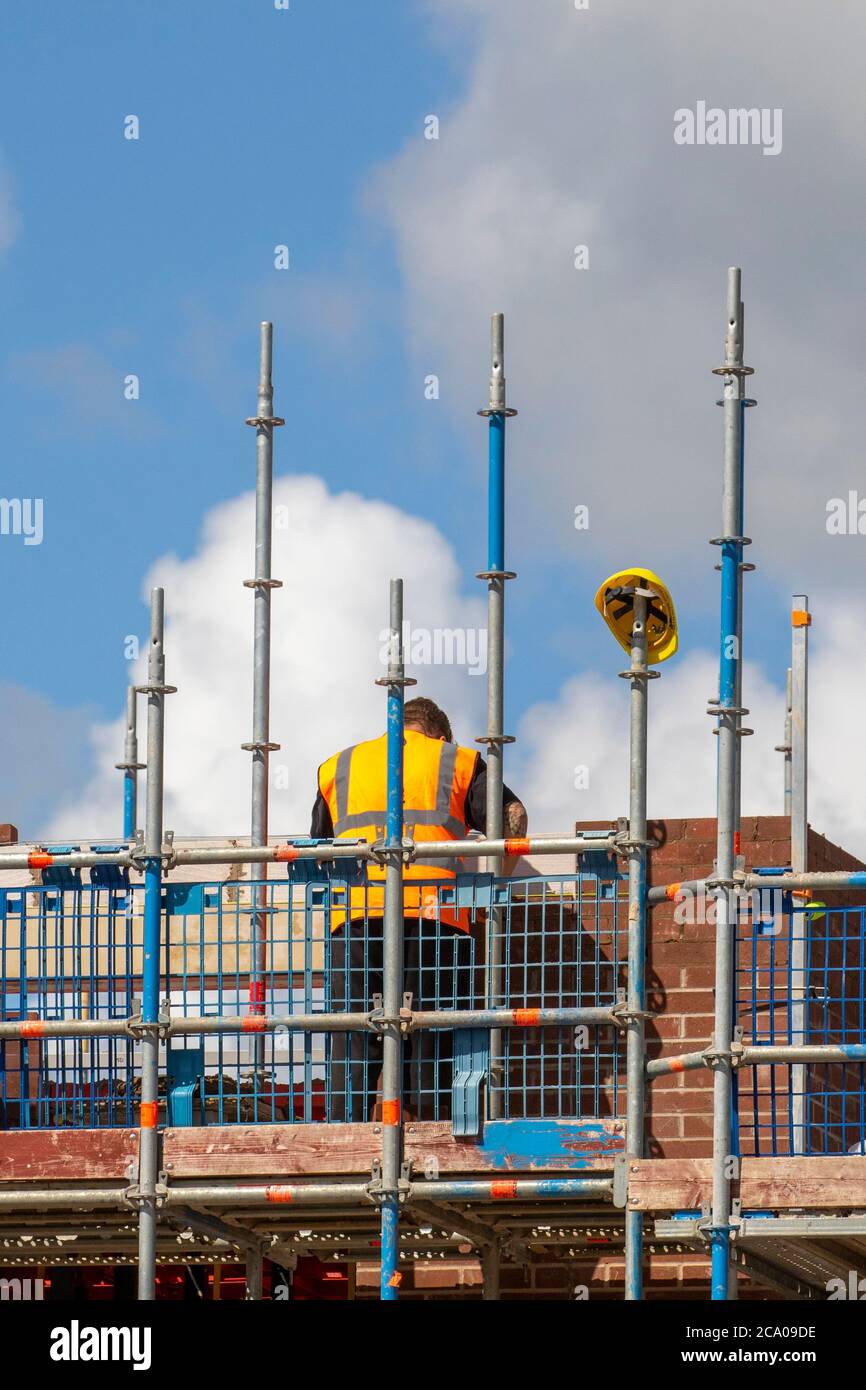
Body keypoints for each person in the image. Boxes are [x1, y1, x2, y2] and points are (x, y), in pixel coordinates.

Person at [311, 696, 527, 1120]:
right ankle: (428, 1127)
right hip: (436, 915)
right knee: (430, 1027)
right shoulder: (458, 760)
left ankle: (345, 1133)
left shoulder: (338, 765)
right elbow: (512, 817)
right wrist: (493, 884)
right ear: (440, 734)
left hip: (356, 914)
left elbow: (318, 850)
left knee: (353, 1031)